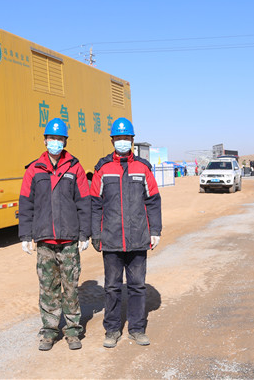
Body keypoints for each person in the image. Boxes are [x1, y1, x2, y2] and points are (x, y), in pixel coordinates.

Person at [18, 118, 91, 351]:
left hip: (69, 239)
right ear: (45, 140)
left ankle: (72, 331)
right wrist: (25, 235)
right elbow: (26, 204)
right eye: (52, 138)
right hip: (44, 240)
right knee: (48, 287)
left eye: (60, 139)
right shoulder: (34, 169)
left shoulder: (75, 168)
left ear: (65, 141)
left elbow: (84, 202)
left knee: (70, 287)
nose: (55, 143)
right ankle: (49, 331)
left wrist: (84, 234)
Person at [90, 117, 162, 348]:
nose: (122, 141)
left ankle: (137, 329)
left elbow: (153, 200)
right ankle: (112, 330)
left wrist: (155, 230)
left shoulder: (143, 168)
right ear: (112, 140)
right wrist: (95, 233)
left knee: (137, 286)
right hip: (111, 239)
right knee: (112, 287)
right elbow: (95, 204)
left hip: (138, 238)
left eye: (126, 138)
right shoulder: (103, 169)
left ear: (132, 140)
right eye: (118, 138)